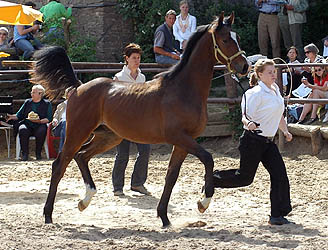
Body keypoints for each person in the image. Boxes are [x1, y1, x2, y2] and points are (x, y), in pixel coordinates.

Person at [212, 58, 293, 225]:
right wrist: (248, 123)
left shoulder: (275, 90)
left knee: (280, 175)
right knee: (245, 178)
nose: (273, 75)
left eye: (274, 72)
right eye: (270, 72)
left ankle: (277, 215)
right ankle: (212, 179)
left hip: (268, 143)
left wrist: (285, 131)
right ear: (260, 74)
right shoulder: (253, 94)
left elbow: (278, 115)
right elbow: (245, 116)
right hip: (253, 140)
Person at [112, 43, 151, 196]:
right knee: (122, 154)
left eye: (138, 58)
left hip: (140, 121)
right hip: (122, 121)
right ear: (127, 59)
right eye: (134, 58)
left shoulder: (142, 77)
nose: (137, 60)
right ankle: (117, 186)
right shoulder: (119, 77)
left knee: (145, 150)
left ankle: (137, 183)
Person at [7, 85, 52, 161]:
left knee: (42, 130)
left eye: (34, 92)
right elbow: (19, 115)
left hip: (40, 124)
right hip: (27, 124)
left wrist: (39, 121)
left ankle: (38, 153)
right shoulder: (27, 102)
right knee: (22, 129)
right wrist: (11, 117)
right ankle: (24, 154)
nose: (32, 94)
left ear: (40, 94)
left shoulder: (47, 104)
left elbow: (49, 118)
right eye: (31, 92)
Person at [51, 86, 74, 152]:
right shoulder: (61, 105)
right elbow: (55, 117)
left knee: (65, 128)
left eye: (73, 93)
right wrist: (55, 120)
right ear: (66, 94)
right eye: (70, 93)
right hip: (59, 127)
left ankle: (62, 152)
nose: (71, 94)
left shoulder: (78, 106)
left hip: (72, 129)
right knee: (64, 123)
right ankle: (64, 151)